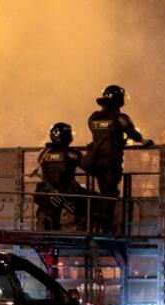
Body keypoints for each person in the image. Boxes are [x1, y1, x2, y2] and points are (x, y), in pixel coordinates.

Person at [86, 84, 152, 233]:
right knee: (110, 193)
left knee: (104, 191)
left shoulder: (93, 118)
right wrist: (144, 142)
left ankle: (99, 222)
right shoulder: (120, 118)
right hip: (111, 161)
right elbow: (133, 133)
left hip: (96, 162)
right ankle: (104, 225)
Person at [32, 123, 85, 231]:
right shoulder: (71, 153)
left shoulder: (44, 153)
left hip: (46, 192)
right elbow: (88, 166)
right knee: (87, 202)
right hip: (66, 191)